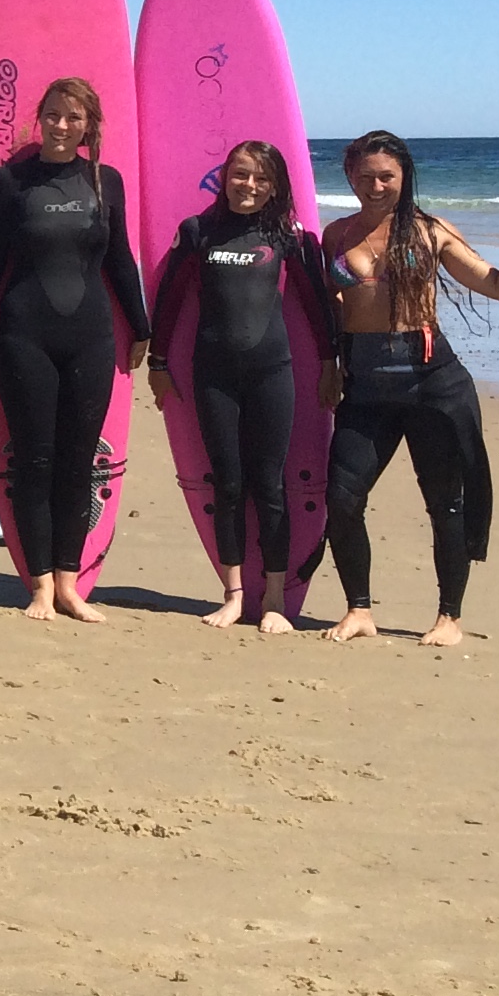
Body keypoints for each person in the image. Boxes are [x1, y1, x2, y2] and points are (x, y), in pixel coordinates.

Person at [321, 129, 499, 647]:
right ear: (350, 177)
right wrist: (329, 365)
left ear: (405, 178)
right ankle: (358, 609)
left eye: (387, 176)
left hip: (433, 384)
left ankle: (449, 617)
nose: (376, 186)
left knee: (445, 503)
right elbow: (329, 310)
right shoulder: (335, 236)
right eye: (365, 177)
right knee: (340, 496)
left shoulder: (431, 232)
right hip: (366, 386)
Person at [0, 76, 152, 621]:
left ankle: (70, 584)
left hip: (91, 337)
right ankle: (39, 585)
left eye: (73, 117)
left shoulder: (104, 181)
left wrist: (140, 328)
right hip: (24, 337)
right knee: (35, 462)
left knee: (78, 464)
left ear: (89, 125)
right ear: (38, 119)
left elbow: (121, 260)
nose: (62, 126)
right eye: (53, 115)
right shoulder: (12, 181)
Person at [149, 140, 339, 633]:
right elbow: (169, 299)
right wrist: (158, 360)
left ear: (274, 185)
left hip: (272, 372)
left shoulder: (288, 236)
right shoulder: (199, 231)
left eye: (259, 178)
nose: (248, 186)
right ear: (224, 178)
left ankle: (274, 597)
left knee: (270, 486)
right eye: (239, 175)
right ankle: (233, 593)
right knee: (228, 485)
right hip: (212, 374)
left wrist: (328, 360)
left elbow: (315, 304)